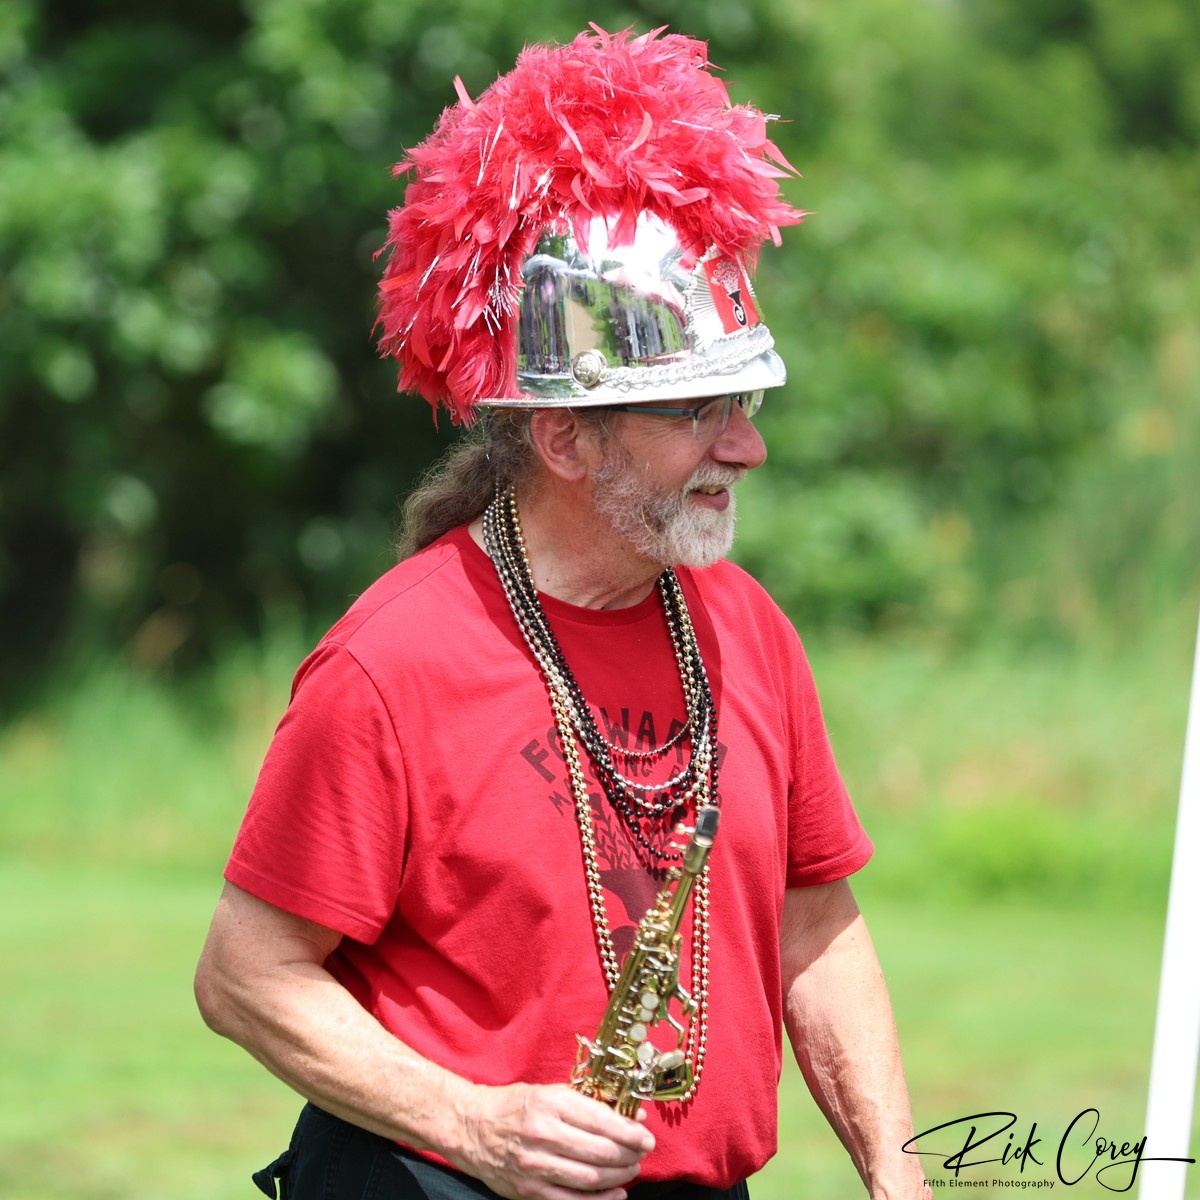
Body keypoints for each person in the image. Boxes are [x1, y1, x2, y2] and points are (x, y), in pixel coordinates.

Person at [195, 25, 926, 1200]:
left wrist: (900, 1177)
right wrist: (474, 1123)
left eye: (742, 404)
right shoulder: (393, 663)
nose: (748, 447)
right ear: (565, 436)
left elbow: (816, 929)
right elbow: (246, 975)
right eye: (698, 412)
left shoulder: (748, 629)